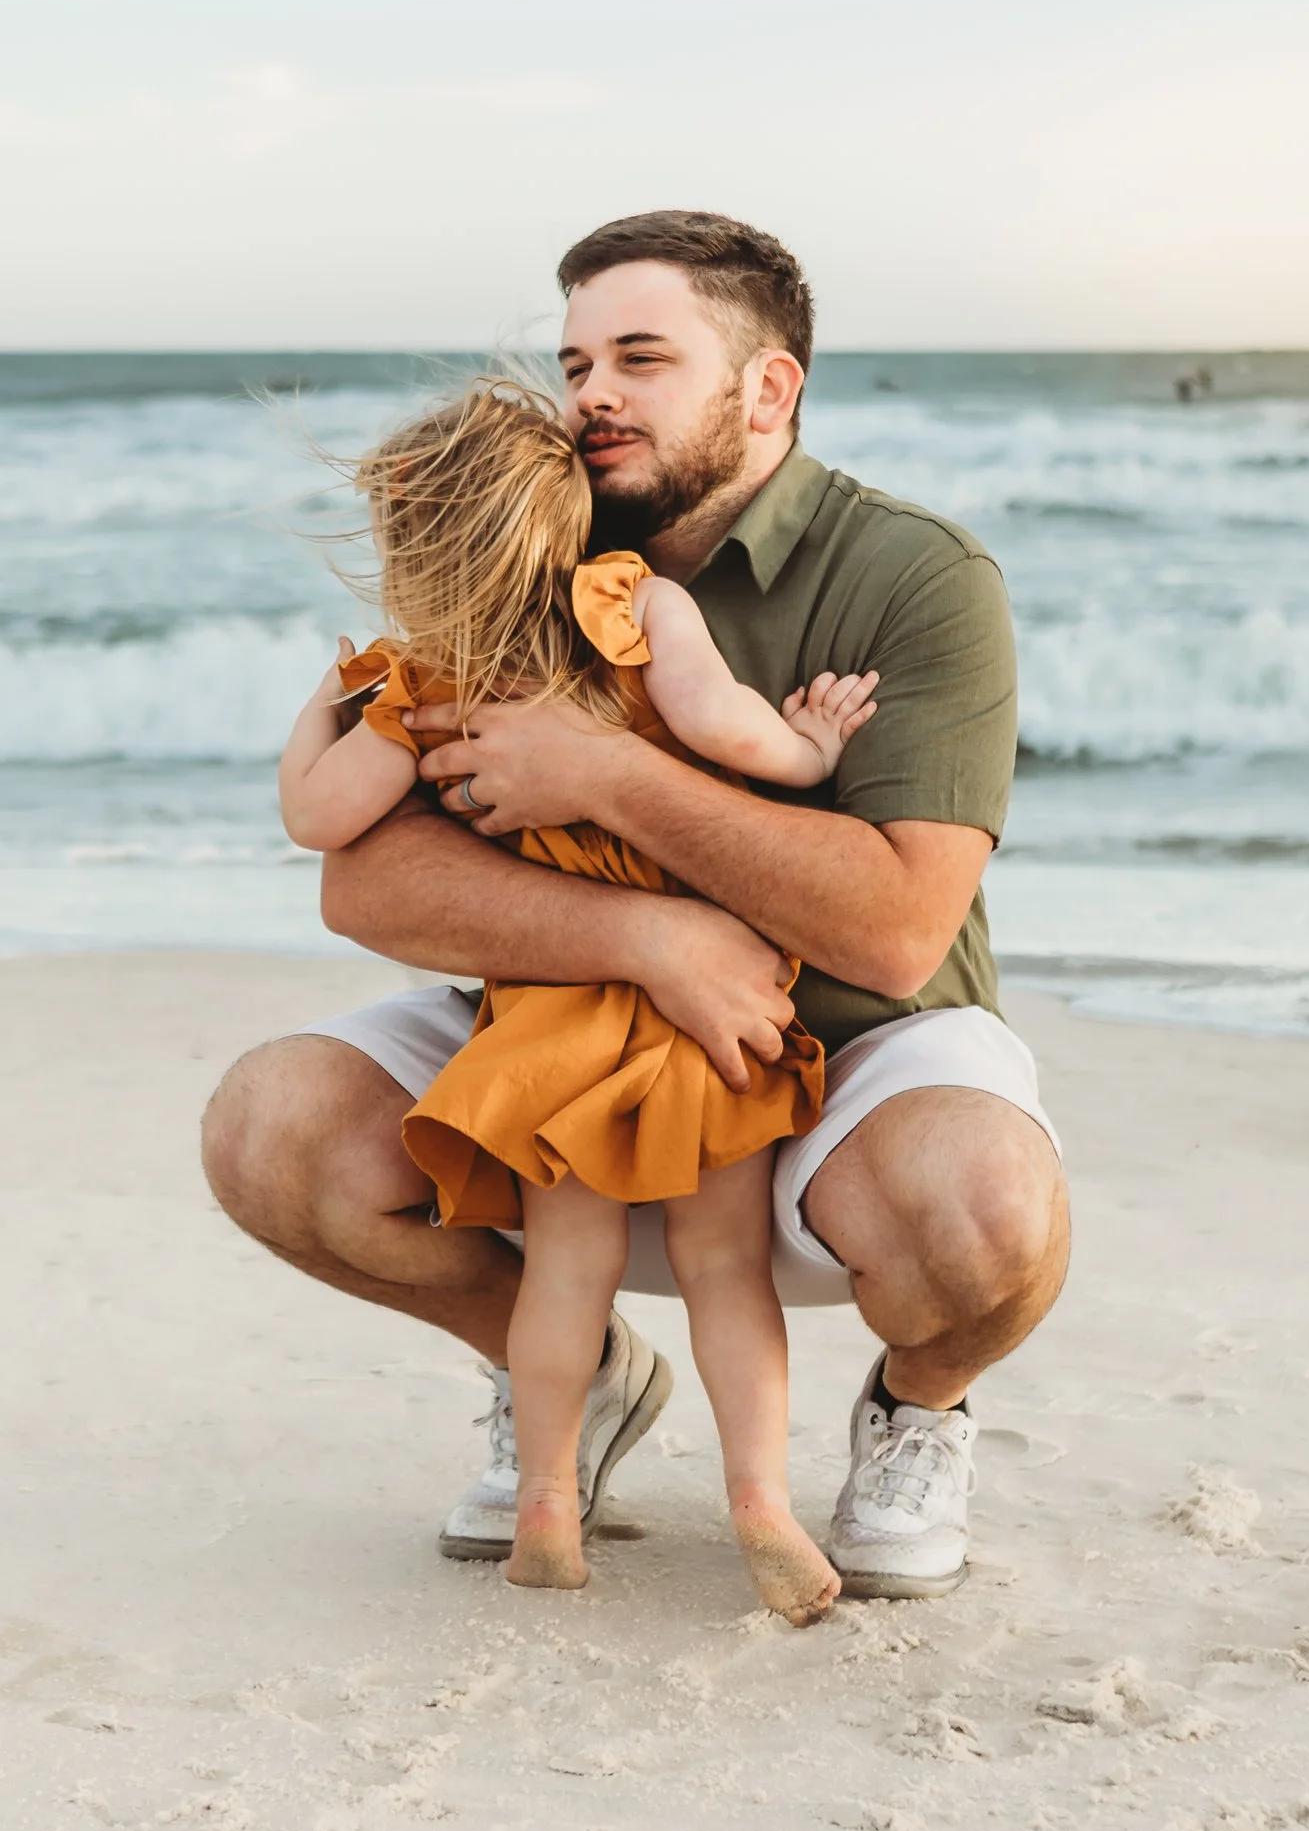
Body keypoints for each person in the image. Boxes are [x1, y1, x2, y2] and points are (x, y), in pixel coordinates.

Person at [203, 209, 1070, 1598]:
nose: (591, 392)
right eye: (575, 359)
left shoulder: (914, 576)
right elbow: (364, 874)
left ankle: (917, 1406)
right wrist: (650, 934)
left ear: (766, 387)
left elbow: (899, 927)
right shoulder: (512, 542)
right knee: (271, 1130)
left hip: (849, 1049)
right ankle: (579, 1380)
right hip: (560, 1028)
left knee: (986, 1213)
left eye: (641, 357)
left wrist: (604, 774)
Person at [277, 375, 880, 1618]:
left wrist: (319, 708)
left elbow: (314, 817)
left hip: (556, 1015)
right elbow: (731, 736)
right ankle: (760, 1499)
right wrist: (814, 748)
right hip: (703, 1008)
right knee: (724, 1267)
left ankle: (547, 1498)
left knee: (566, 1272)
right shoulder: (637, 605)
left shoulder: (422, 679)